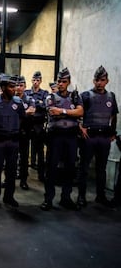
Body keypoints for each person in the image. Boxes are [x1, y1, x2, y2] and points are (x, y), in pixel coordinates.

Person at [40, 67, 84, 211]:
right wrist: (71, 113)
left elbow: (80, 112)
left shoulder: (76, 97)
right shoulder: (50, 97)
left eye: (63, 81)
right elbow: (53, 113)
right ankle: (48, 199)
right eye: (59, 81)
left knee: (70, 169)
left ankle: (66, 198)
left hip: (71, 137)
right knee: (51, 169)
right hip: (56, 137)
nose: (60, 84)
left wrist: (63, 111)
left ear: (69, 82)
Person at [77, 66, 118, 207]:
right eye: (97, 80)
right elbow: (78, 113)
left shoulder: (111, 96)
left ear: (107, 81)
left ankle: (100, 196)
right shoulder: (86, 95)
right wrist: (81, 127)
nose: (99, 83)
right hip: (89, 137)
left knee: (102, 169)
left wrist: (112, 133)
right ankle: (81, 197)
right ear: (93, 81)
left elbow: (113, 116)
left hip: (104, 138)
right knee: (84, 168)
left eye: (102, 80)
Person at [0, 74, 25, 208]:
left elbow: (23, 119)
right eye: (11, 86)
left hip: (13, 141)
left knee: (11, 171)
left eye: (15, 86)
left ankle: (9, 196)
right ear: (3, 87)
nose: (14, 89)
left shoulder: (18, 103)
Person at [25, 71, 48, 182]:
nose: (35, 82)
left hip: (39, 124)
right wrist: (37, 103)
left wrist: (34, 104)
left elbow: (45, 105)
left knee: (40, 151)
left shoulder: (45, 93)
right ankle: (23, 174)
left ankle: (41, 175)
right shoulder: (26, 92)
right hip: (28, 124)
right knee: (24, 150)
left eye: (37, 80)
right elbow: (25, 105)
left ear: (40, 81)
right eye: (34, 80)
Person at [15, 76, 36, 190]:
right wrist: (24, 112)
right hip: (13, 132)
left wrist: (17, 113)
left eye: (21, 85)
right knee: (11, 157)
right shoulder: (11, 98)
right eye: (17, 85)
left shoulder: (30, 99)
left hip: (24, 132)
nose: (18, 88)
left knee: (24, 157)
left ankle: (23, 180)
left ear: (25, 87)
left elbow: (32, 111)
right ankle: (9, 179)